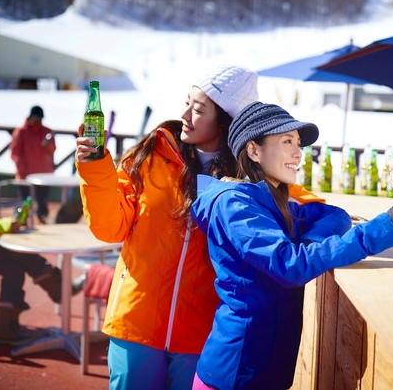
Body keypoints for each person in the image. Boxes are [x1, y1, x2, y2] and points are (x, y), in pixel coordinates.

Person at [190, 102, 393, 390]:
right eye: (286, 141)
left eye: (298, 143)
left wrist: (309, 243)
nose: (298, 152)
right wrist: (382, 228)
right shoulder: (234, 205)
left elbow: (334, 215)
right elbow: (290, 265)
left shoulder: (274, 203)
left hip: (265, 368)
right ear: (253, 151)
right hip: (235, 371)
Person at [76, 65, 263, 389]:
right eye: (187, 102)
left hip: (201, 333)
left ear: (225, 120)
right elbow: (110, 228)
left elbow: (301, 202)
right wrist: (95, 169)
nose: (185, 114)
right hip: (136, 323)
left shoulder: (248, 177)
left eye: (199, 108)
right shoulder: (152, 154)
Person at [0, 140, 82, 346]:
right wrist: (6, 225)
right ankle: (58, 288)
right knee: (12, 251)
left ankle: (5, 329)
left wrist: (7, 224)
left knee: (12, 264)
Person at [10, 105, 56, 224]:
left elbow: (52, 150)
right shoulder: (21, 131)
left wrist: (48, 145)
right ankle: (20, 221)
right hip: (25, 174)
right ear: (30, 117)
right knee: (24, 201)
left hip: (43, 173)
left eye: (40, 118)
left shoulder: (47, 131)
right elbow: (15, 152)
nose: (38, 121)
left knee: (43, 202)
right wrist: (21, 168)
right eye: (36, 118)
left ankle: (42, 219)